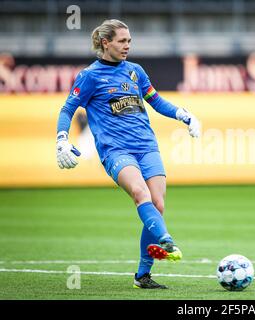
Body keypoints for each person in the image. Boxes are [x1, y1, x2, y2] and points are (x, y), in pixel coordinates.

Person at [55, 19, 201, 289]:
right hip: (116, 150)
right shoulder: (90, 76)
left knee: (157, 204)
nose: (127, 46)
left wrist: (183, 114)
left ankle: (142, 276)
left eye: (129, 41)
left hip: (147, 146)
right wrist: (62, 139)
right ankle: (166, 240)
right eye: (122, 41)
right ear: (105, 43)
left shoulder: (135, 71)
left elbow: (155, 101)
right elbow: (67, 109)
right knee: (140, 193)